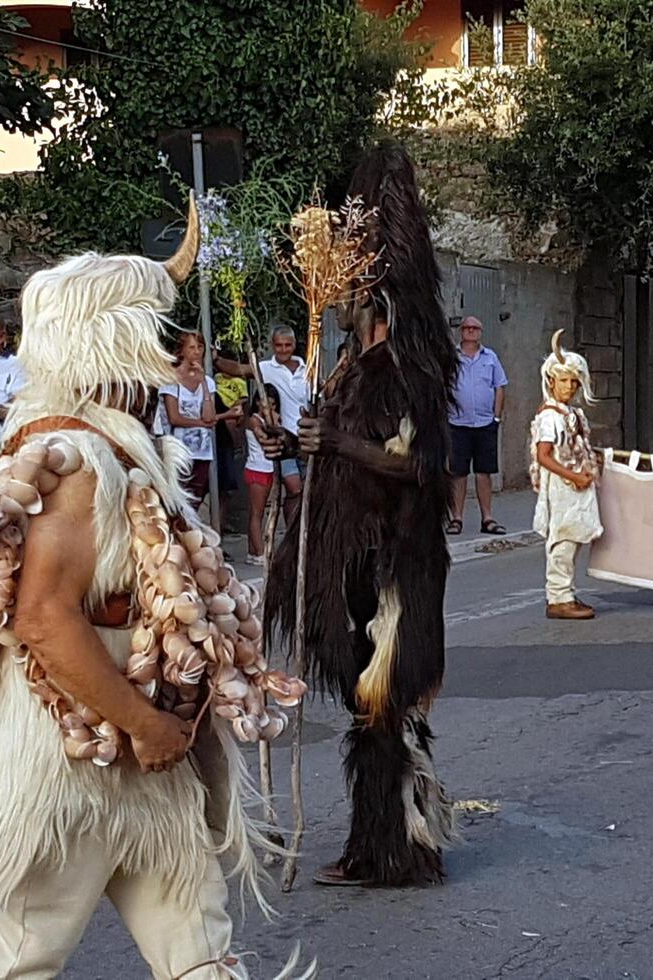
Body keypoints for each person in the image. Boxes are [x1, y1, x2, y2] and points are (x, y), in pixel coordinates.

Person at [0, 198, 306, 977]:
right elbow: (45, 618)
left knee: (198, 947)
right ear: (118, 339)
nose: (160, 354)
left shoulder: (109, 448)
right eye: (148, 335)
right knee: (25, 953)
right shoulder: (74, 460)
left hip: (146, 754)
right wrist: (146, 723)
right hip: (76, 762)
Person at [264, 141, 458, 887]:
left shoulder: (408, 367)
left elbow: (416, 463)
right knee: (366, 707)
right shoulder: (348, 365)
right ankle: (384, 843)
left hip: (396, 562)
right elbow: (336, 452)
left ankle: (396, 849)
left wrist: (336, 439)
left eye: (347, 290)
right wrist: (291, 439)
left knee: (384, 704)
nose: (335, 301)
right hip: (351, 560)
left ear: (372, 298)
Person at [531, 331, 601, 620]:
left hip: (575, 485)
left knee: (573, 539)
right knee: (562, 539)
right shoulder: (550, 416)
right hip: (562, 487)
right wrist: (571, 475)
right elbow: (543, 455)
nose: (570, 387)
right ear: (551, 382)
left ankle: (565, 592)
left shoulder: (571, 414)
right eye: (564, 381)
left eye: (574, 381)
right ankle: (558, 598)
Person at [215, 326, 309, 525]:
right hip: (282, 440)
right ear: (273, 346)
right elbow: (239, 370)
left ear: (294, 345)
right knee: (294, 487)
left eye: (288, 345)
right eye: (279, 345)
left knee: (303, 492)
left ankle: (294, 530)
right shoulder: (265, 368)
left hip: (306, 439)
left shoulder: (308, 369)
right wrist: (216, 359)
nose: (283, 350)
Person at [159, 332, 240, 510]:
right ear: (182, 351)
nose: (197, 352)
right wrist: (202, 424)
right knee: (177, 498)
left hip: (202, 450)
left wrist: (203, 382)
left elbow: (210, 416)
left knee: (195, 500)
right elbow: (175, 417)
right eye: (192, 347)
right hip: (178, 449)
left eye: (200, 347)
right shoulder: (171, 380)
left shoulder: (208, 382)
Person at [447, 315, 508, 536]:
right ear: (461, 332)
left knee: (484, 473)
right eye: (467, 328)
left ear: (480, 332)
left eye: (475, 328)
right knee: (458, 473)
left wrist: (496, 417)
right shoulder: (451, 358)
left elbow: (499, 386)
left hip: (484, 424)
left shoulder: (490, 357)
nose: (471, 331)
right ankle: (456, 518)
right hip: (457, 423)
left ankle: (487, 518)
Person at [244, 383, 282, 566]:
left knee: (257, 512)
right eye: (266, 404)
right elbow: (264, 439)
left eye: (273, 405)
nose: (270, 408)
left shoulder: (269, 419)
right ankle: (260, 552)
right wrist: (273, 422)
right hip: (256, 469)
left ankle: (252, 550)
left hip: (267, 469)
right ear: (258, 402)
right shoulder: (254, 420)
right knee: (257, 514)